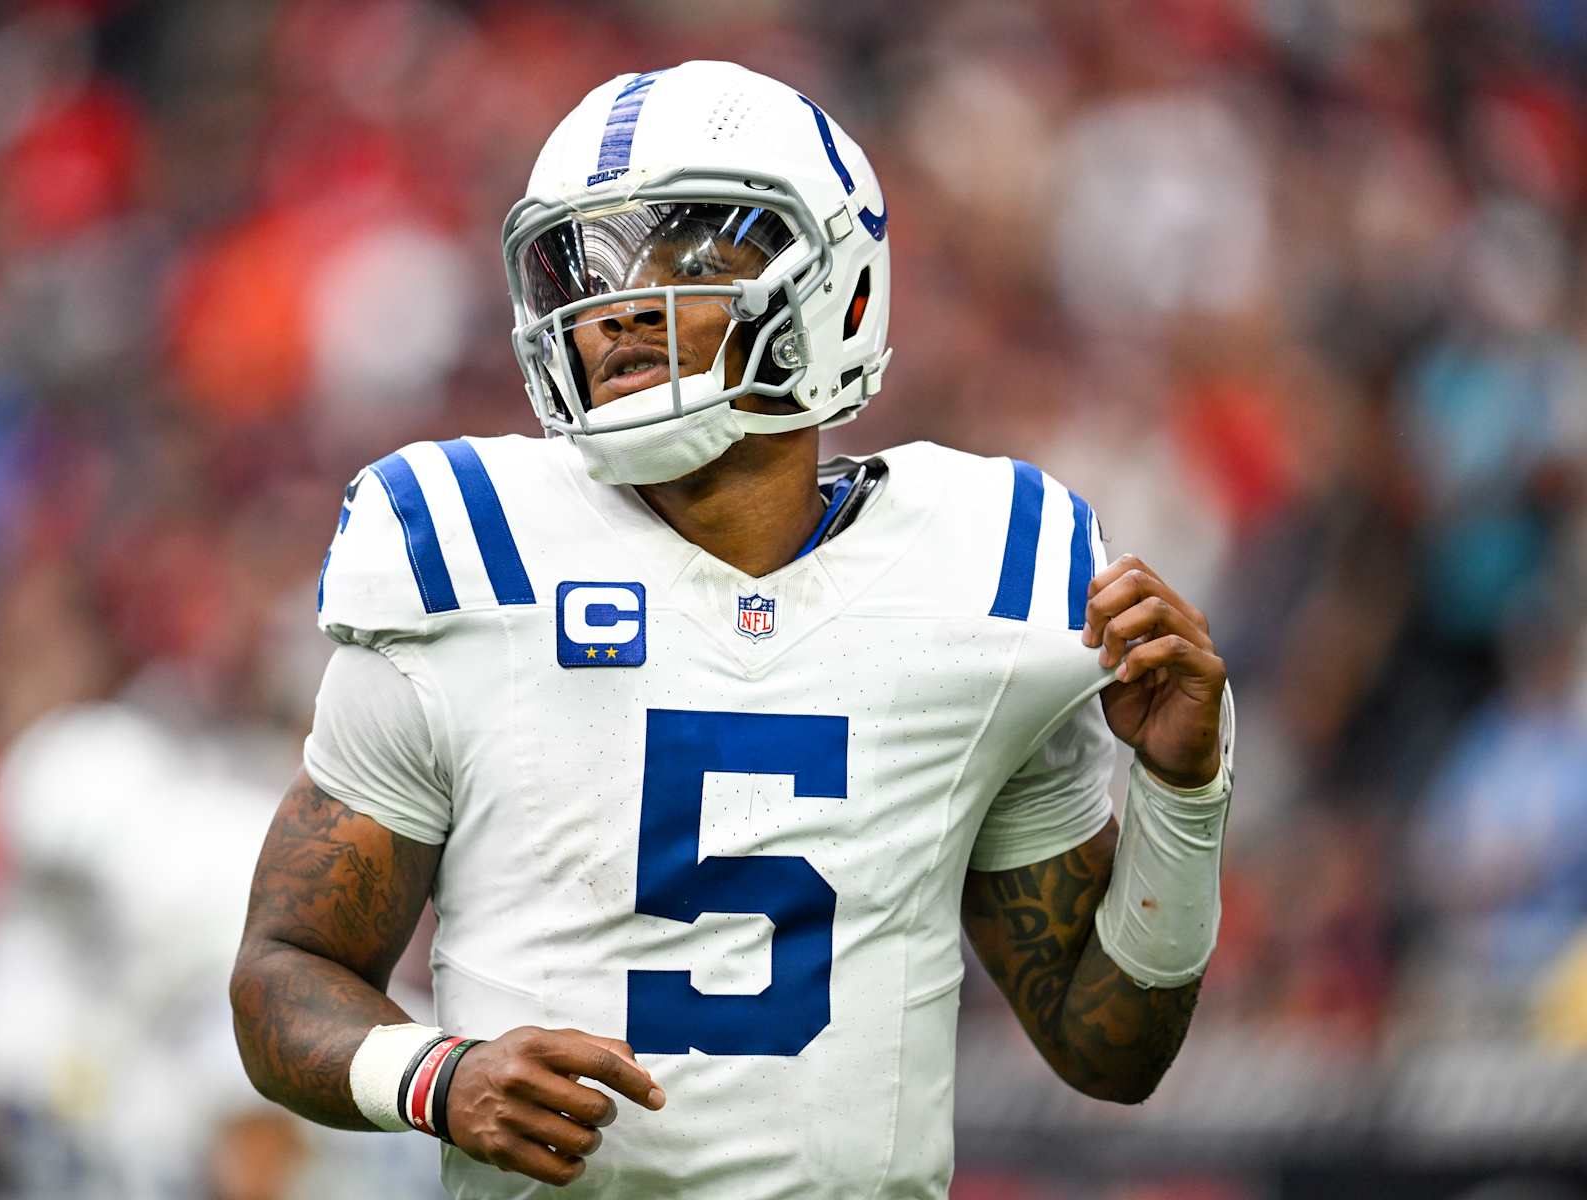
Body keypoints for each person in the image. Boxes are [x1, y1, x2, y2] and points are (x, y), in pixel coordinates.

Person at [230, 60, 1234, 1198]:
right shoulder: (470, 555)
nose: (617, 306)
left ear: (835, 288)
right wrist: (436, 1075)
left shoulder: (989, 571)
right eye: (586, 266)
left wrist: (1183, 793)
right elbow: (282, 972)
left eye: (693, 257)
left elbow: (1111, 1054)